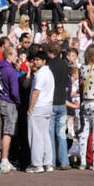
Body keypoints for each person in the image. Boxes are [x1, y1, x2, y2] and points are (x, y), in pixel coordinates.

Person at [25, 45, 55, 173]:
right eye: (35, 60)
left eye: (38, 60)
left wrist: (30, 107)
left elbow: (36, 92)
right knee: (45, 135)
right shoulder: (49, 72)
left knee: (35, 135)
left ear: (44, 61)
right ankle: (47, 163)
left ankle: (37, 164)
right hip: (48, 105)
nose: (36, 62)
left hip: (39, 106)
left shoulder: (40, 74)